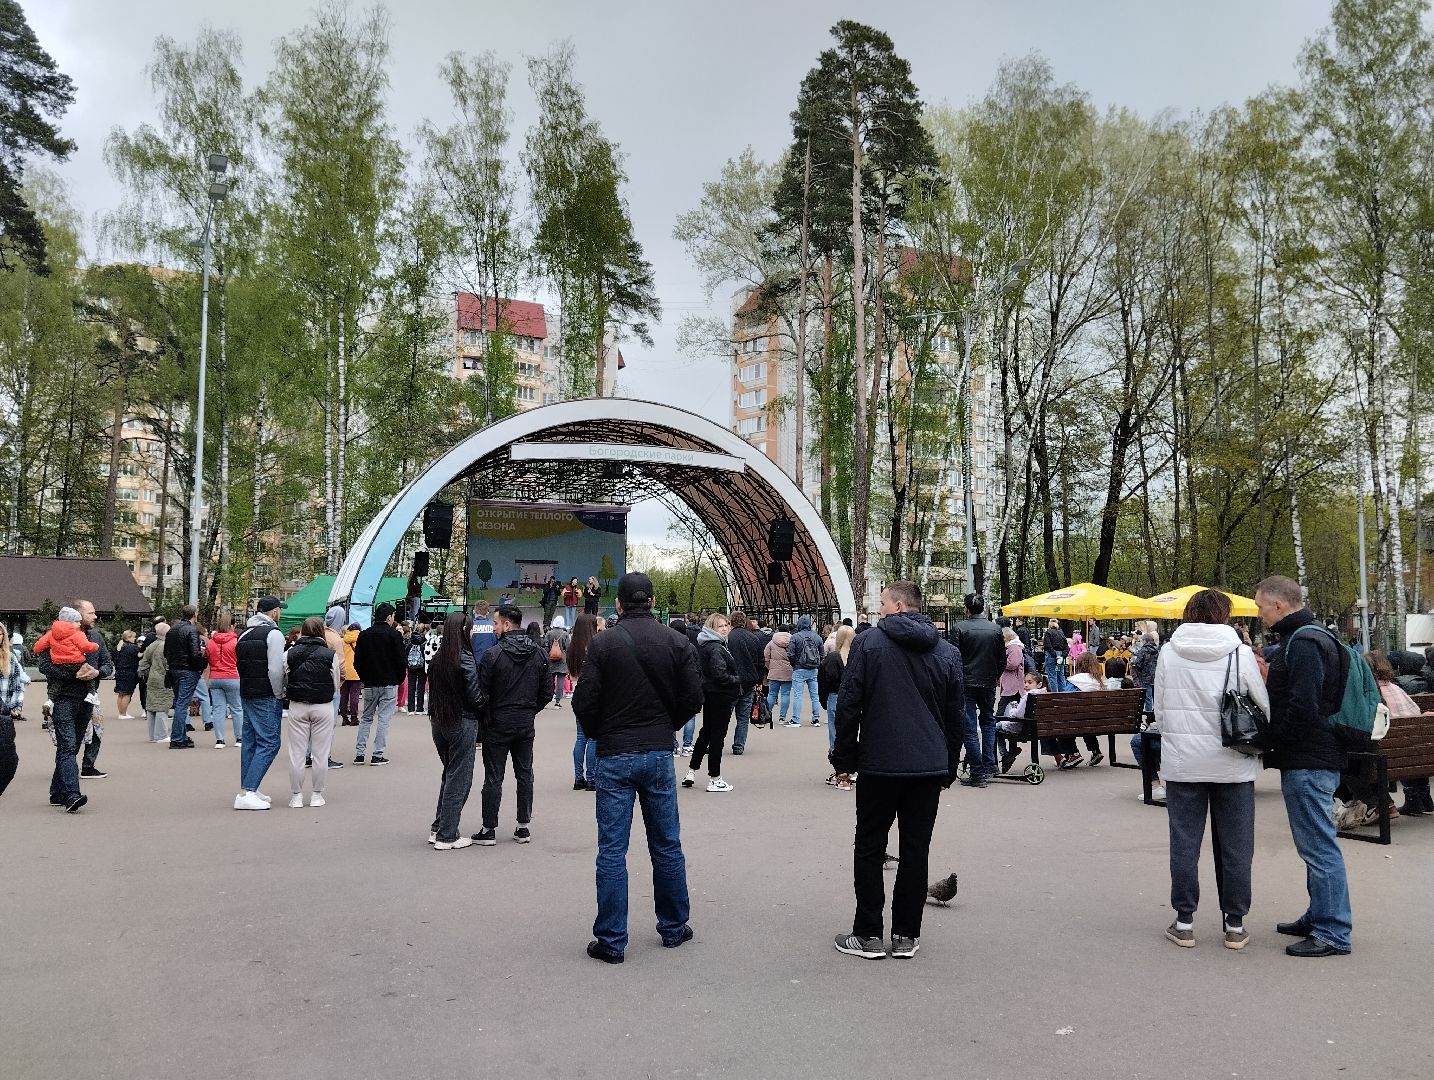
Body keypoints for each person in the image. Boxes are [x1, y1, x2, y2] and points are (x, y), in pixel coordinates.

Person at [572, 571, 703, 964]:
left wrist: (602, 733)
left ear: (618, 604)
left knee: (612, 850)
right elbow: (693, 698)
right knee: (667, 843)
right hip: (659, 753)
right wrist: (667, 726)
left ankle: (612, 941)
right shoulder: (677, 642)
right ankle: (674, 928)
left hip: (614, 755)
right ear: (652, 602)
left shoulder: (604, 644)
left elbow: (584, 702)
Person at [830, 581, 964, 960]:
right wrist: (948, 765)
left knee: (870, 846)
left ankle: (869, 934)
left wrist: (844, 760)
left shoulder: (868, 644)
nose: (879, 608)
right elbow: (956, 717)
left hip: (880, 763)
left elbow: (849, 703)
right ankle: (906, 935)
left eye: (883, 602)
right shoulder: (946, 651)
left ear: (900, 606)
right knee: (915, 849)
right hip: (927, 766)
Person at [1154, 589, 1268, 950]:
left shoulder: (1169, 652)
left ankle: (1184, 921)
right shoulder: (1239, 651)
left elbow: (1159, 708)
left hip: (1182, 763)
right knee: (1236, 845)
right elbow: (1261, 705)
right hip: (1233, 763)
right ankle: (1235, 924)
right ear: (1225, 614)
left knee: (1184, 843)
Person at [1254, 574, 1353, 958]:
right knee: (1315, 844)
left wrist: (1268, 738)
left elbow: (1303, 706)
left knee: (1318, 847)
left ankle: (1332, 932)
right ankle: (1320, 916)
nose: (1260, 614)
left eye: (1262, 606)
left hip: (1309, 758)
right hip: (1313, 755)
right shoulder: (1311, 636)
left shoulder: (1305, 643)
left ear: (1279, 605)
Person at [474, 604, 550, 845]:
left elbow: (481, 692)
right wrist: (530, 710)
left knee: (494, 776)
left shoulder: (493, 655)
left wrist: (488, 714)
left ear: (507, 625)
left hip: (497, 722)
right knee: (525, 773)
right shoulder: (538, 653)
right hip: (525, 722)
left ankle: (489, 828)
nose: (494, 628)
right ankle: (523, 826)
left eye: (496, 623)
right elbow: (546, 692)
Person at [425, 613, 484, 849]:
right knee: (459, 779)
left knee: (449, 775)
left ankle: (439, 827)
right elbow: (475, 695)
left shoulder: (440, 658)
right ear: (463, 631)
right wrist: (486, 703)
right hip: (462, 722)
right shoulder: (465, 658)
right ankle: (447, 834)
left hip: (440, 722)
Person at [235, 597, 287, 810]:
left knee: (250, 741)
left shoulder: (244, 634)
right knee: (270, 742)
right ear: (274, 612)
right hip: (266, 693)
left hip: (247, 691)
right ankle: (249, 790)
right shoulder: (274, 634)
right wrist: (279, 692)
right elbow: (275, 669)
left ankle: (249, 789)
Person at [283, 616, 342, 808]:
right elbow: (335, 684)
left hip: (298, 704)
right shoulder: (329, 654)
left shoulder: (290, 653)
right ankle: (317, 794)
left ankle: (296, 796)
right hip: (323, 705)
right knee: (320, 753)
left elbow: (283, 676)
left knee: (296, 753)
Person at [1365, 651, 1432, 817]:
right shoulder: (1396, 688)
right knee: (1410, 744)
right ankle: (1423, 798)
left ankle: (1389, 803)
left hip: (1392, 756)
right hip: (1420, 751)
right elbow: (1416, 711)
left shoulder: (1372, 693)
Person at [951, 593, 1005, 788]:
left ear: (966, 609)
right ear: (983, 608)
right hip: (988, 682)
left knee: (970, 728)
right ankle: (990, 765)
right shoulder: (995, 629)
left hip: (966, 683)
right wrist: (994, 676)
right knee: (989, 722)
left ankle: (977, 772)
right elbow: (1001, 659)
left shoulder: (959, 628)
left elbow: (953, 658)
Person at [682, 613, 740, 793]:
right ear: (712, 629)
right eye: (720, 626)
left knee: (705, 733)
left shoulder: (708, 644)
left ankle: (691, 771)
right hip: (721, 696)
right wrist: (736, 679)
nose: (725, 628)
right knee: (717, 737)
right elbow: (719, 674)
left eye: (726, 625)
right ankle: (715, 778)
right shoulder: (716, 647)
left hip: (711, 695)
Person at [354, 602, 405, 766]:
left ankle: (359, 754)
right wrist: (398, 678)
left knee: (366, 719)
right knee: (384, 719)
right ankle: (377, 754)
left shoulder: (364, 635)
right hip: (389, 683)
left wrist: (364, 678)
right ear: (389, 617)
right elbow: (400, 661)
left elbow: (358, 662)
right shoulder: (394, 635)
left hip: (369, 683)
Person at [567, 613, 601, 790]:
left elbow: (572, 673)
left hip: (577, 694)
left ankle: (578, 777)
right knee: (593, 737)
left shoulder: (573, 647)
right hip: (593, 695)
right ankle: (592, 778)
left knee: (581, 738)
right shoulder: (595, 646)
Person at [725, 611, 765, 756]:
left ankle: (716, 742)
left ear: (731, 622)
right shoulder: (754, 638)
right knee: (743, 718)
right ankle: (739, 746)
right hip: (749, 681)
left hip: (731, 682)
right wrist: (759, 680)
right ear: (744, 622)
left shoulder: (727, 638)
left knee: (724, 716)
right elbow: (761, 662)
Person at [819, 625, 855, 778]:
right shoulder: (856, 658)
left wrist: (823, 701)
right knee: (852, 733)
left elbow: (823, 681)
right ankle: (851, 766)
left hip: (835, 697)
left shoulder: (833, 658)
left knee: (835, 734)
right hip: (853, 699)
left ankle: (840, 769)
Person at [206, 611, 242, 748]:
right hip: (232, 676)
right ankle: (239, 738)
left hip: (215, 677)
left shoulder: (211, 642)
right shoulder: (235, 642)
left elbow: (208, 658)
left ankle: (219, 740)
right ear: (231, 626)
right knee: (237, 708)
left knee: (218, 709)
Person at [0, 621, 26, 797]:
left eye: (0, 633)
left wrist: (16, 706)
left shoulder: (9, 658)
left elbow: (17, 683)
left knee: (10, 760)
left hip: (3, 714)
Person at [785, 615, 825, 727]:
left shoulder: (795, 637)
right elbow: (822, 655)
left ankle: (796, 720)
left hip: (799, 669)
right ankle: (816, 719)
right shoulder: (817, 637)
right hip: (813, 669)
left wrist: (794, 664)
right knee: (815, 695)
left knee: (798, 695)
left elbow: (790, 654)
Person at [668, 618, 698, 755]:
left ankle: (674, 745)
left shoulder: (666, 646)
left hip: (671, 684)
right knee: (690, 716)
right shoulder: (690, 646)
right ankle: (687, 745)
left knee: (669, 715)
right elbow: (697, 667)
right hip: (687, 684)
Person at [139, 623, 172, 743]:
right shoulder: (165, 646)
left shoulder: (152, 645)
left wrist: (148, 674)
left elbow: (143, 663)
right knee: (162, 706)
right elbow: (167, 664)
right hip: (163, 678)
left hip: (152, 678)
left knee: (152, 707)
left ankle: (153, 735)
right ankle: (161, 735)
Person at [764, 623, 794, 725]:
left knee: (772, 694)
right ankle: (782, 718)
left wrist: (770, 668)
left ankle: (767, 715)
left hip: (774, 672)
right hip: (788, 671)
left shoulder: (771, 643)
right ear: (788, 631)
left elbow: (766, 657)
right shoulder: (792, 641)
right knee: (785, 694)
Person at [1131, 629, 1161, 717]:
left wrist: (1139, 672)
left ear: (1145, 641)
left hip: (1145, 676)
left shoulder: (1143, 650)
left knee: (1147, 697)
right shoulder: (1157, 650)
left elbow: (1137, 663)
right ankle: (1156, 713)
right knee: (1155, 696)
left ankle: (1148, 714)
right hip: (1155, 676)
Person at [112, 630, 141, 720]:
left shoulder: (118, 647)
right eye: (133, 637)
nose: (135, 639)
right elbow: (140, 656)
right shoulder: (132, 648)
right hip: (129, 672)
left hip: (119, 672)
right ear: (128, 637)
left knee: (121, 693)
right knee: (127, 694)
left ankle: (121, 713)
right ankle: (124, 714)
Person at [544, 614, 570, 706]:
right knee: (561, 680)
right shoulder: (565, 634)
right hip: (562, 660)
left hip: (551, 660)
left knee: (550, 680)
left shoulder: (549, 633)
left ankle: (549, 697)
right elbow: (568, 647)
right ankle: (558, 700)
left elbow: (545, 646)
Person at [404, 620, 429, 714]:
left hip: (411, 667)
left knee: (411, 686)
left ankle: (410, 709)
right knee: (421, 687)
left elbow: (405, 653)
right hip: (422, 667)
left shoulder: (410, 640)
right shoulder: (425, 641)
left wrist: (407, 664)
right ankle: (419, 708)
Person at [339, 622, 362, 726]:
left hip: (344, 670)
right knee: (354, 695)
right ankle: (354, 717)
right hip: (356, 670)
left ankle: (344, 717)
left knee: (343, 695)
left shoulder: (342, 640)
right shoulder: (361, 640)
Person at [1042, 619, 1070, 692]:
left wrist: (1055, 655)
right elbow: (1066, 647)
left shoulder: (1048, 633)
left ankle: (1054, 694)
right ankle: (1063, 693)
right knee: (1060, 675)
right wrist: (1062, 656)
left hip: (1052, 656)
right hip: (1060, 656)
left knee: (1052, 675)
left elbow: (1047, 645)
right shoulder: (1061, 633)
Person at [470, 601, 497, 667]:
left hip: (472, 663)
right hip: (490, 663)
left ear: (474, 611)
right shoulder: (494, 626)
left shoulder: (469, 625)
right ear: (487, 612)